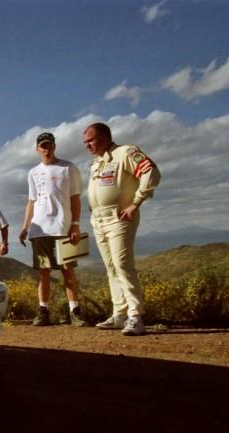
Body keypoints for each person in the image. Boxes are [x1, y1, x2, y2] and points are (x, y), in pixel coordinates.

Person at [83, 122, 160, 336]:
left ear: (105, 137)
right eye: (85, 142)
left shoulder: (125, 152)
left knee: (123, 265)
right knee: (111, 268)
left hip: (119, 218)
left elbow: (151, 171)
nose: (87, 145)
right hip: (99, 220)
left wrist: (136, 202)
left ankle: (136, 316)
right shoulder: (96, 163)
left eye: (91, 140)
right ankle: (119, 314)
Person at [18, 132, 85, 327]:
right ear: (38, 149)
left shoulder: (68, 168)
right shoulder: (33, 172)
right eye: (43, 146)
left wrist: (75, 224)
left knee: (68, 271)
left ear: (55, 146)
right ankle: (43, 312)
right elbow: (31, 201)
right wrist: (25, 227)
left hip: (63, 227)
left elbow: (75, 198)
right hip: (40, 230)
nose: (47, 149)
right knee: (44, 272)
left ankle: (75, 312)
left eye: (50, 145)